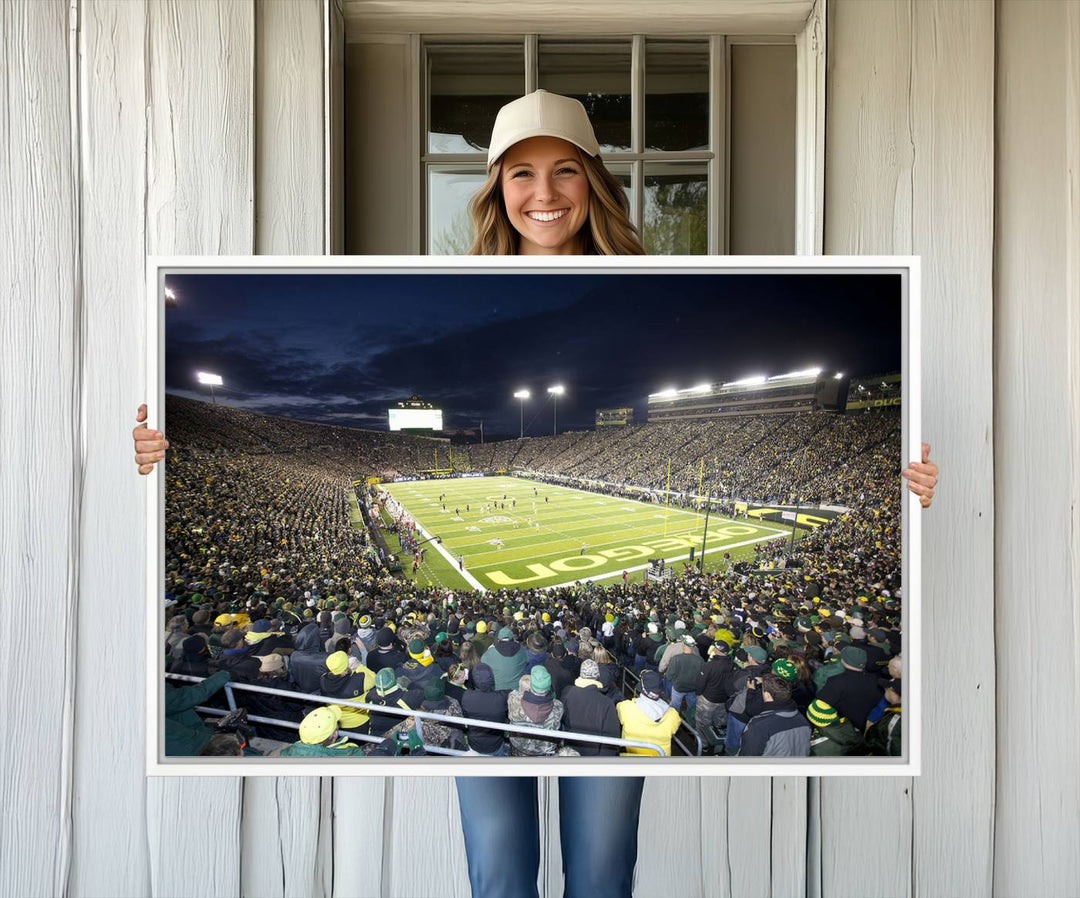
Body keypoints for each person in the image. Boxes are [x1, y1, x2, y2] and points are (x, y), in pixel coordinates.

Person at [134, 88, 938, 898]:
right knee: (500, 875)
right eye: (520, 174)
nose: (544, 193)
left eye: (564, 171)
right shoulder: (455, 275)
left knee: (599, 875)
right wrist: (152, 461)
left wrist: (913, 489)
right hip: (539, 716)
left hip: (526, 712)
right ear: (495, 189)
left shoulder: (657, 278)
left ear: (595, 180)